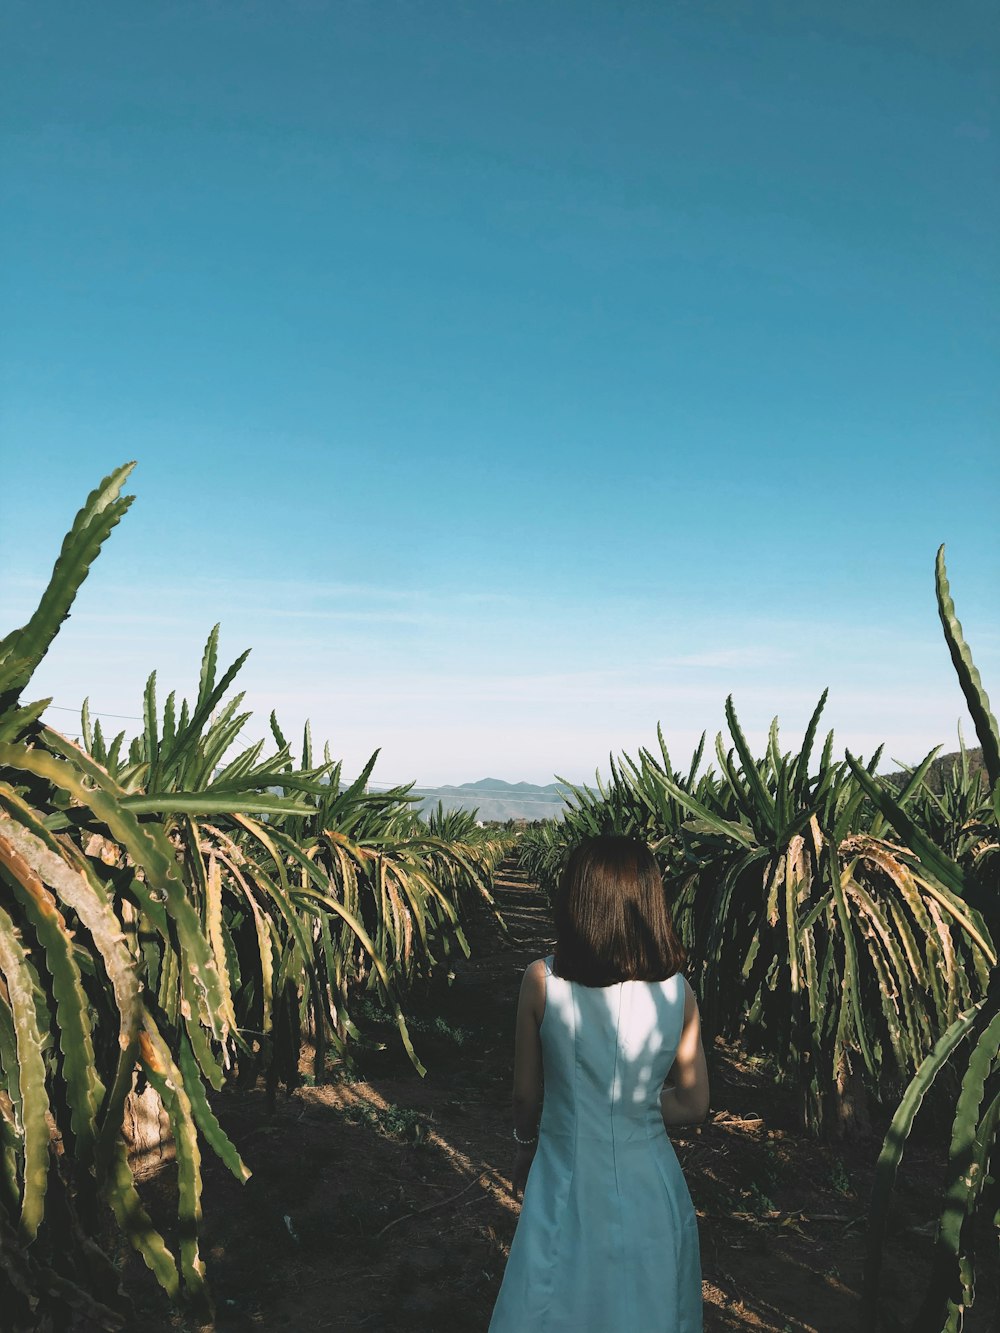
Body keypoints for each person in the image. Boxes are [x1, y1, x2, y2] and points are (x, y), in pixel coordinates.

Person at [488, 835, 708, 1332]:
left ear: (577, 901)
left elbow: (526, 1095)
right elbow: (694, 1103)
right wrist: (639, 1111)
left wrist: (526, 1146)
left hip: (565, 1175)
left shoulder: (542, 981)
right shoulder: (680, 993)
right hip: (652, 1182)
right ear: (652, 903)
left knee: (552, 1302)